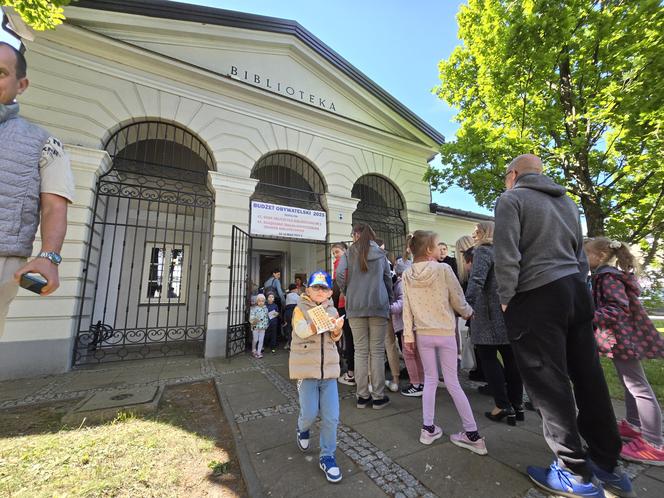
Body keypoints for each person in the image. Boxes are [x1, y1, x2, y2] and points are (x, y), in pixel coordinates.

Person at [494, 154, 632, 498]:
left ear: (513, 175)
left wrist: (506, 300)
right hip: (575, 290)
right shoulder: (568, 203)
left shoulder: (510, 199)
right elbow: (579, 253)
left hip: (537, 295)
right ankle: (607, 464)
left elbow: (506, 254)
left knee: (548, 384)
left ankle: (574, 472)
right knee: (589, 376)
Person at [0, 42, 75, 336]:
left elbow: (54, 205)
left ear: (21, 85)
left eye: (0, 72)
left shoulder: (43, 142)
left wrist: (49, 257)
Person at [402, 231, 487, 454]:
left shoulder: (407, 274)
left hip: (423, 334)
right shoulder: (444, 269)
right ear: (429, 250)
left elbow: (407, 309)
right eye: (438, 244)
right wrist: (468, 312)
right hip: (445, 332)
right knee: (452, 383)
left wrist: (408, 337)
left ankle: (427, 428)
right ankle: (472, 434)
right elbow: (457, 298)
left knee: (430, 380)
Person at [585, 237, 664, 465]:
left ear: (599, 256)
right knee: (630, 383)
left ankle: (654, 444)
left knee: (638, 386)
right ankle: (634, 424)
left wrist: (590, 316)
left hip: (624, 338)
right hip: (622, 338)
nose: (582, 258)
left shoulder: (607, 276)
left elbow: (618, 307)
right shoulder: (605, 275)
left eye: (586, 254)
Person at [465, 221, 523, 425]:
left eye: (475, 231)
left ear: (484, 233)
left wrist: (467, 306)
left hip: (488, 314)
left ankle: (502, 405)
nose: (473, 235)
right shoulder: (511, 251)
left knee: (487, 357)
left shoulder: (483, 251)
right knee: (511, 358)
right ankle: (518, 405)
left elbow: (477, 280)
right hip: (509, 312)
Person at [290, 271, 345, 483]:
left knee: (331, 417)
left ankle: (327, 456)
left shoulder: (332, 309)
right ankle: (302, 429)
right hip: (307, 372)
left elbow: (334, 338)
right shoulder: (299, 308)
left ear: (330, 292)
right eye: (316, 287)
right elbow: (301, 331)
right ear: (308, 290)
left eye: (324, 288)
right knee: (310, 414)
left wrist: (337, 330)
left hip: (329, 372)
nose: (320, 292)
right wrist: (320, 324)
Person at [336, 223, 394, 409]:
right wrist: (389, 298)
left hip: (355, 306)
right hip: (378, 304)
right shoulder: (380, 254)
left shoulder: (348, 253)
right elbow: (387, 278)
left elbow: (339, 274)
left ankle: (362, 397)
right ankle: (378, 397)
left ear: (355, 235)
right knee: (377, 351)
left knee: (360, 351)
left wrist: (347, 291)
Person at [392, 257, 423, 397]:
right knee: (416, 355)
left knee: (409, 355)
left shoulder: (402, 283)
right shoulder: (415, 283)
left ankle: (416, 383)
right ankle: (421, 382)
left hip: (406, 325)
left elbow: (402, 303)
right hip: (414, 324)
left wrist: (388, 308)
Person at [376, 238, 401, 393]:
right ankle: (395, 379)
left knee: (373, 347)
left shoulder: (363, 261)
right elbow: (391, 282)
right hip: (384, 307)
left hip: (368, 309)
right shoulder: (386, 262)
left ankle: (374, 382)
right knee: (390, 344)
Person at [331, 243, 355, 385]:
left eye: (337, 251)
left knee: (348, 339)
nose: (335, 255)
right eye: (333, 253)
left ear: (345, 251)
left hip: (343, 305)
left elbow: (340, 284)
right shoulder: (348, 262)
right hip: (348, 305)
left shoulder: (341, 264)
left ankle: (351, 372)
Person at [249, 294, 269, 358]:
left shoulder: (265, 309)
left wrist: (266, 324)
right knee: (255, 339)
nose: (261, 302)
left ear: (264, 301)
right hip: (255, 326)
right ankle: (253, 350)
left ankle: (259, 352)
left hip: (263, 327)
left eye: (262, 301)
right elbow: (251, 318)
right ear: (257, 301)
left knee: (261, 340)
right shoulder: (254, 309)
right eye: (259, 301)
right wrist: (255, 320)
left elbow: (266, 317)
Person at [282, 283, 299, 350]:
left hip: (287, 313)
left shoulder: (287, 296)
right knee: (295, 329)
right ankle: (294, 344)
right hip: (295, 312)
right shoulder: (297, 296)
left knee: (289, 328)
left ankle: (288, 343)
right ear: (295, 289)